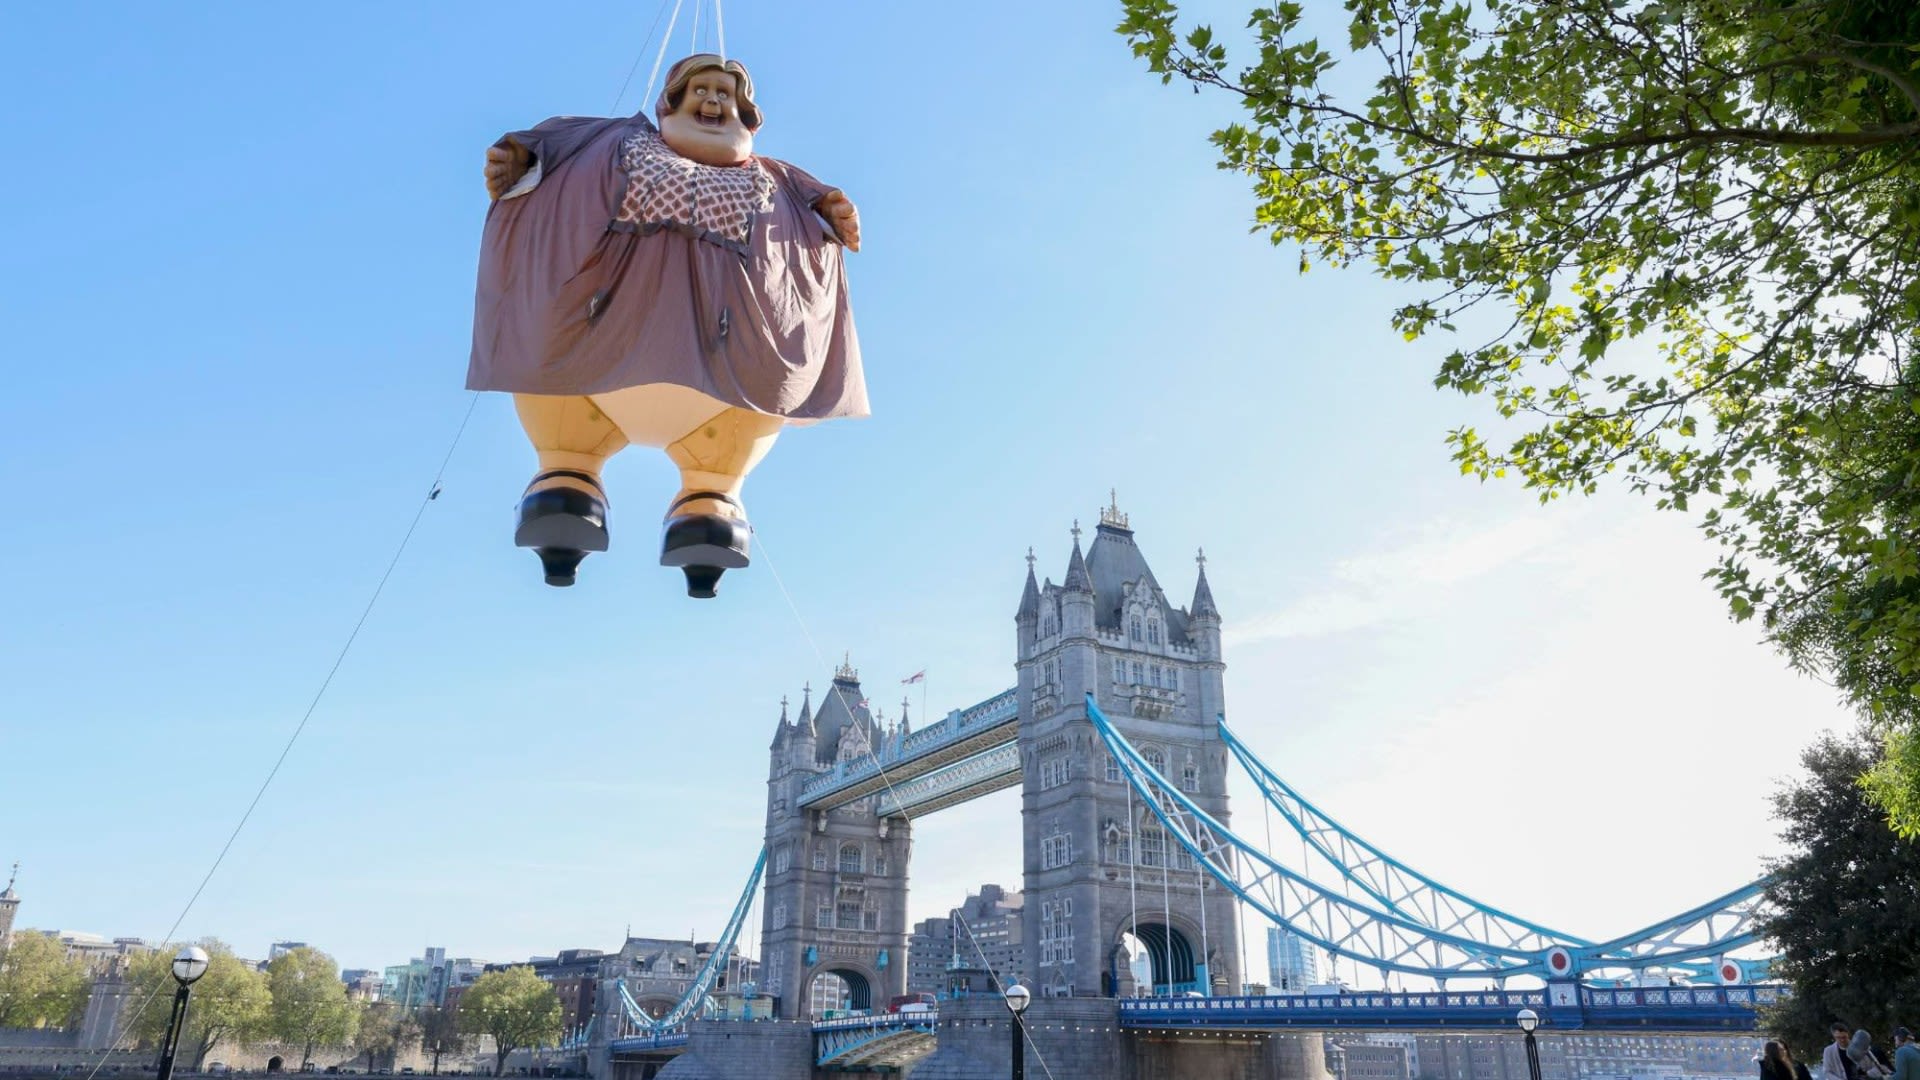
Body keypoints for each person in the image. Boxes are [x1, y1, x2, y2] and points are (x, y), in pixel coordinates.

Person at [470, 54, 866, 594]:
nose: (715, 101)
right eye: (702, 89)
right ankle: (567, 481)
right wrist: (522, 157)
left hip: (723, 378)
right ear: (671, 101)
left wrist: (828, 212)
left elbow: (819, 207)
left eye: (727, 95)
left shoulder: (774, 179)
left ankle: (708, 501)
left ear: (747, 113)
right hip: (598, 349)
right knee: (563, 394)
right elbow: (548, 150)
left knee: (732, 429)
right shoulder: (613, 142)